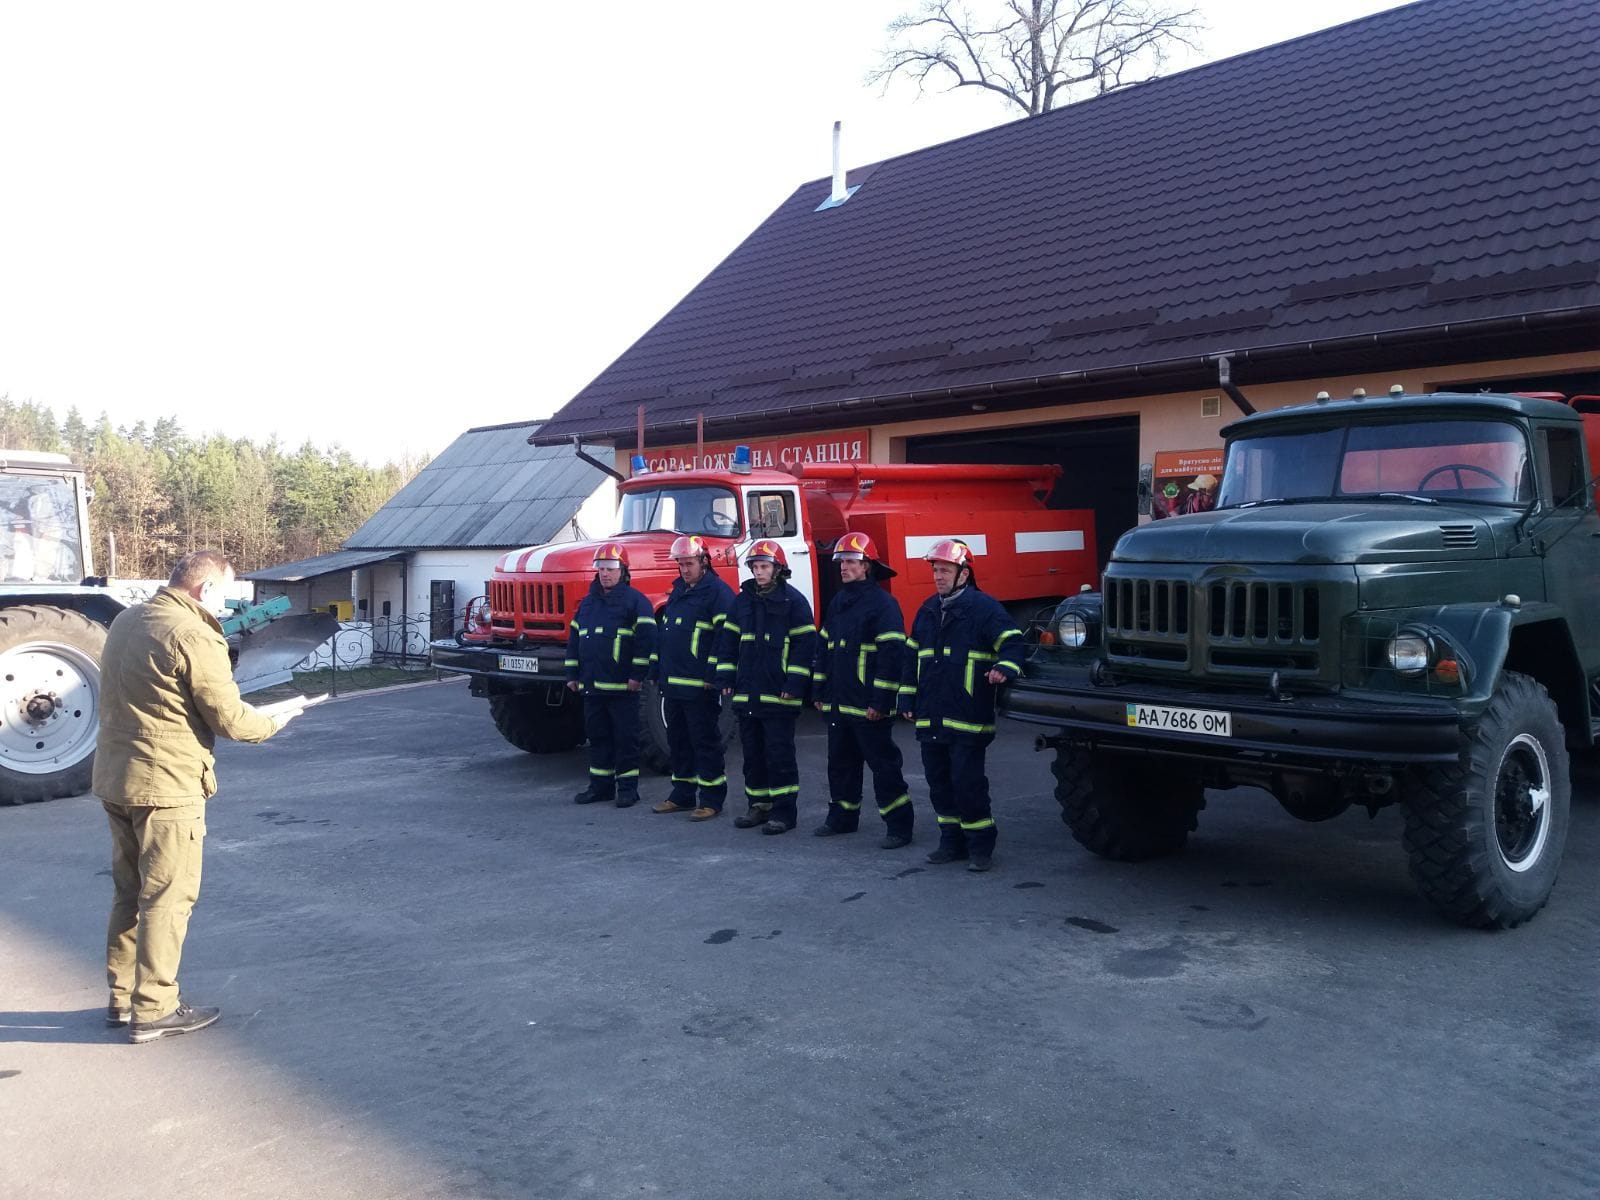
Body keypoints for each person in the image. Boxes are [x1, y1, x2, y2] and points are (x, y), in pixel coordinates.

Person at [96, 549, 300, 1044]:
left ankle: (123, 999)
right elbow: (230, 720)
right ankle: (155, 1008)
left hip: (117, 779)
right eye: (223, 596)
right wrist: (276, 720)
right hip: (167, 785)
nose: (223, 607)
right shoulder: (192, 632)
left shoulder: (126, 619)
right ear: (204, 588)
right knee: (167, 897)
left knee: (129, 892)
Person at [900, 539, 1024, 872]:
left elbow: (1013, 643)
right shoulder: (928, 610)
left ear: (964, 574)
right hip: (931, 717)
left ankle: (980, 847)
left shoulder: (984, 609)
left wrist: (1005, 667)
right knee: (939, 784)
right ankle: (950, 842)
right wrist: (906, 697)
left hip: (968, 717)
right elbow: (911, 658)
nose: (938, 576)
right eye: (936, 570)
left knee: (968, 785)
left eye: (945, 570)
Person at [812, 531, 915, 849]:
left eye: (851, 561)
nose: (844, 567)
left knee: (884, 766)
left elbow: (892, 656)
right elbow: (824, 648)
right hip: (839, 703)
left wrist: (881, 702)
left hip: (868, 705)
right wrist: (819, 691)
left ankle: (899, 827)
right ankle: (842, 818)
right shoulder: (839, 602)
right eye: (841, 562)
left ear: (867, 566)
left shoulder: (883, 604)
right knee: (840, 763)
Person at [716, 539, 816, 835]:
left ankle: (784, 813)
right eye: (755, 567)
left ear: (778, 569)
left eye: (764, 566)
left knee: (779, 756)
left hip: (779, 695)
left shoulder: (794, 602)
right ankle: (758, 806)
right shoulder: (742, 602)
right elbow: (728, 642)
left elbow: (804, 647)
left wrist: (795, 683)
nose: (758, 572)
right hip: (748, 694)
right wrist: (726, 677)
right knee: (753, 756)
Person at [651, 534, 736, 821]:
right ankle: (682, 794)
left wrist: (714, 673)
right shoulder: (679, 591)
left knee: (705, 742)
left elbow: (725, 637)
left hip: (700, 685)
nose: (684, 569)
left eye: (689, 564)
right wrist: (657, 670)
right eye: (681, 564)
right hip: (674, 683)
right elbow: (666, 634)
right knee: (678, 741)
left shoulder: (718, 593)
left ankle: (712, 799)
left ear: (704, 562)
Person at [566, 542, 655, 807]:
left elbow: (646, 642)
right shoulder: (588, 604)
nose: (605, 573)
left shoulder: (636, 602)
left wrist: (637, 675)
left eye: (611, 568)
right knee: (598, 738)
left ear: (623, 571)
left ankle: (627, 789)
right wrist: (572, 674)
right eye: (601, 568)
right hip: (592, 687)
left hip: (622, 688)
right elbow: (575, 640)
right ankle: (600, 787)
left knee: (625, 739)